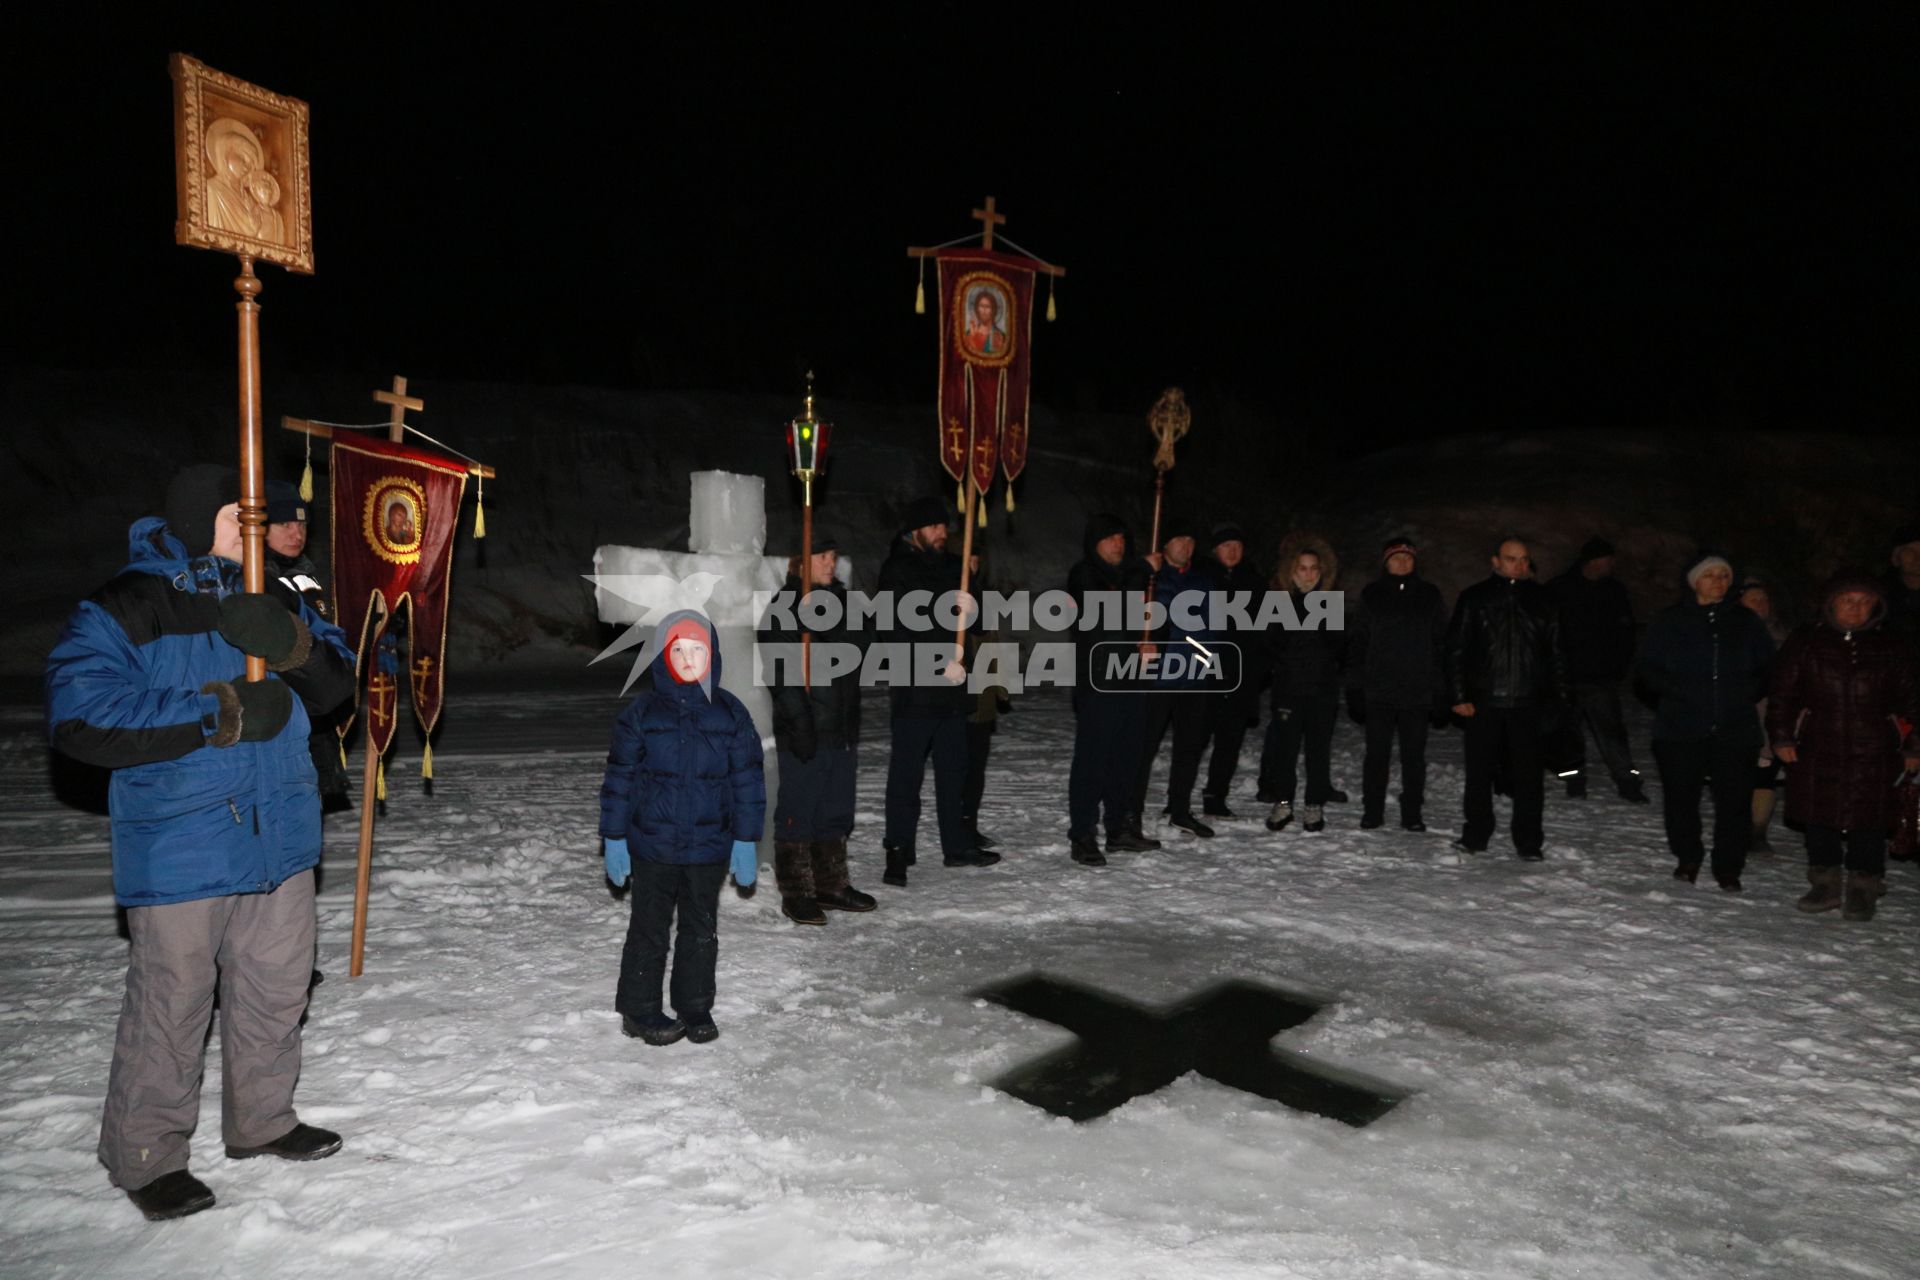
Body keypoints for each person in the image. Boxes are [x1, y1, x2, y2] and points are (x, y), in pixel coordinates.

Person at [45, 464, 356, 1221]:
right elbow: (80, 712)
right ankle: (147, 1155)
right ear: (198, 519)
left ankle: (262, 1122)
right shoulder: (130, 603)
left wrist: (292, 647)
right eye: (237, 516)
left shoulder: (280, 595)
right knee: (172, 1006)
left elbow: (338, 687)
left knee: (275, 989)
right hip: (183, 841)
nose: (256, 530)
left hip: (279, 834)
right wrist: (212, 710)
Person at [600, 609, 764, 1044]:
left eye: (698, 649)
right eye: (678, 649)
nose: (689, 657)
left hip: (709, 846)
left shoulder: (730, 714)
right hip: (653, 845)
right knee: (649, 929)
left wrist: (746, 839)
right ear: (662, 656)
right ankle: (639, 1009)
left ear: (712, 655)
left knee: (700, 930)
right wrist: (614, 837)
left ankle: (694, 1006)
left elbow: (748, 781)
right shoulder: (642, 714)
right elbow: (619, 780)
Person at [1768, 576, 1920, 920]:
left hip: (1877, 745)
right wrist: (1782, 737)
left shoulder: (1892, 647)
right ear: (1831, 603)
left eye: (1864, 600)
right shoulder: (1807, 642)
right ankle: (1825, 882)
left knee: (1871, 816)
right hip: (1818, 741)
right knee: (1819, 814)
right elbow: (1782, 694)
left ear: (1876, 606)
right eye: (1847, 599)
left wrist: (1913, 745)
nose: (1855, 607)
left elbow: (1913, 700)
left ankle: (1864, 886)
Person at [876, 498, 998, 886]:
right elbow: (892, 631)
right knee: (906, 777)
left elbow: (983, 624)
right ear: (915, 531)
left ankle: (956, 845)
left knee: (954, 773)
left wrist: (973, 605)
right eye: (934, 527)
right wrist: (934, 663)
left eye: (945, 527)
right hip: (915, 693)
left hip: (952, 694)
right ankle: (898, 851)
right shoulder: (897, 570)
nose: (943, 533)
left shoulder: (955, 568)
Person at [1636, 555, 1775, 889]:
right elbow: (1646, 671)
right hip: (1680, 727)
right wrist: (1677, 693)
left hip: (1736, 726)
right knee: (1681, 798)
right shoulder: (1671, 621)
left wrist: (1743, 693)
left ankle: (1728, 866)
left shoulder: (1745, 622)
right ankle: (1688, 857)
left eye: (1724, 576)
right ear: (1694, 581)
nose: (1718, 582)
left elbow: (1768, 668)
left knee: (1735, 802)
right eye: (1710, 575)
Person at [757, 537, 874, 926]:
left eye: (833, 555)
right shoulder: (784, 609)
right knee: (799, 811)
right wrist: (800, 724)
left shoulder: (843, 604)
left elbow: (865, 651)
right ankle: (797, 890)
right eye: (822, 556)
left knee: (835, 809)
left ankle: (831, 884)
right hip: (805, 729)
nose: (831, 562)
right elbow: (782, 676)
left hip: (840, 727)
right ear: (799, 562)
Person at [1446, 537, 1567, 860]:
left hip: (1528, 701)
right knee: (1479, 774)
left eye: (1524, 559)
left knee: (1529, 778)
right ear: (1495, 561)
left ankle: (1528, 842)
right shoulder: (1475, 598)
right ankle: (1476, 834)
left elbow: (1557, 654)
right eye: (1512, 559)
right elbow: (1456, 649)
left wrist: (1560, 699)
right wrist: (1459, 695)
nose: (1519, 565)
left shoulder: (1543, 601)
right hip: (1485, 701)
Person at [1067, 513, 1156, 864]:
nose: (1117, 544)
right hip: (1099, 681)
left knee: (1126, 759)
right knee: (1093, 760)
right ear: (1095, 543)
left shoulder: (1134, 578)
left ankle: (1117, 828)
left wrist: (1149, 644)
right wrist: (1140, 572)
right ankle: (1083, 834)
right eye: (1109, 538)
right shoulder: (1084, 575)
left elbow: (1145, 621)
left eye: (1121, 537)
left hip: (1132, 680)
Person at [1346, 536, 1449, 832]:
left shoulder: (1429, 595)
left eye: (1407, 557)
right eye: (1396, 557)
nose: (1402, 562)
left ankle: (1412, 813)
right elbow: (1357, 644)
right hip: (1379, 691)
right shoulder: (1372, 595)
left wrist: (1441, 689)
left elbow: (1441, 644)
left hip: (1416, 693)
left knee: (1413, 757)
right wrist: (1355, 686)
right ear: (1385, 562)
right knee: (1377, 755)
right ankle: (1373, 811)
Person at [264, 481, 351, 813]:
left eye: (301, 525)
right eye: (284, 524)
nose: (295, 532)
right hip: (278, 713)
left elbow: (328, 631)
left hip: (311, 711)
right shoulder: (256, 578)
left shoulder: (306, 575)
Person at [1132, 517, 1217, 837]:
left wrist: (1206, 660)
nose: (1187, 546)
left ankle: (1180, 809)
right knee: (1144, 746)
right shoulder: (1150, 578)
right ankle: (1132, 810)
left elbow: (1213, 626)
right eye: (1180, 539)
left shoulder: (1202, 581)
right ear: (1165, 545)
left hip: (1193, 678)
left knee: (1189, 747)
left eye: (1192, 540)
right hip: (1157, 679)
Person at [1548, 536, 1646, 803]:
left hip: (1601, 677)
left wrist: (1618, 666)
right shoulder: (1560, 588)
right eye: (1608, 558)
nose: (1613, 564)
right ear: (1594, 560)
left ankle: (1628, 781)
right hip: (1565, 677)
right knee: (1568, 735)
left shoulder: (1614, 590)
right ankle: (1574, 781)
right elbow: (1547, 632)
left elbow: (1626, 631)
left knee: (1613, 734)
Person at [1262, 533, 1345, 833]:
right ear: (1291, 571)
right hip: (1288, 690)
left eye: (1313, 568)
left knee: (1318, 750)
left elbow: (1339, 646)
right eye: (1302, 568)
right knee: (1285, 750)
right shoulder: (1278, 602)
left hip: (1321, 691)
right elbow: (1269, 644)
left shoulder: (1331, 602)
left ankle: (1314, 804)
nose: (1308, 574)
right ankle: (1283, 803)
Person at [1200, 524, 1266, 817]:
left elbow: (1264, 631)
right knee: (1194, 740)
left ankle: (1216, 795)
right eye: (1226, 545)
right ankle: (1177, 799)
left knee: (1229, 742)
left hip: (1240, 676)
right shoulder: (1201, 578)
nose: (1233, 551)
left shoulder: (1254, 582)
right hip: (1204, 673)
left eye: (1237, 545)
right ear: (1215, 549)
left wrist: (1260, 670)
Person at [1737, 577, 1792, 852]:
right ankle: (1735, 826)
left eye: (1764, 599)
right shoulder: (1727, 633)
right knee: (1735, 774)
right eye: (1753, 599)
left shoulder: (1786, 637)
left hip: (1772, 716)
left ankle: (1757, 832)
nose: (1761, 604)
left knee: (1765, 774)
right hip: (1735, 716)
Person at [962, 536, 1010, 851]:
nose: (974, 566)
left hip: (983, 697)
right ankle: (959, 828)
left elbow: (993, 646)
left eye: (978, 561)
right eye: (969, 559)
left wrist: (1001, 688)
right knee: (961, 769)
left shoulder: (982, 597)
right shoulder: (951, 598)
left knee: (976, 769)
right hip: (960, 698)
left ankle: (969, 824)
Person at [1882, 524, 1920, 861]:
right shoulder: (1879, 596)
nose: (1918, 557)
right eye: (1910, 549)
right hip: (1889, 693)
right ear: (1896, 557)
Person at [965, 289, 1008, 356]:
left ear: (993, 310)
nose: (984, 310)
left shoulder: (999, 336)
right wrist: (973, 337)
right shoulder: (969, 334)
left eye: (987, 306)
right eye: (981, 306)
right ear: (977, 309)